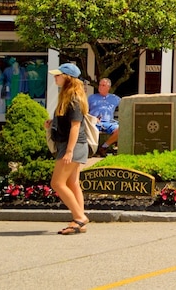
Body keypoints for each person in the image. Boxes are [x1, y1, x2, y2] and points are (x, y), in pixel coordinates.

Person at [47, 63, 90, 235]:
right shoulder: (67, 96)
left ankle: (80, 217)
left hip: (73, 146)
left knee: (57, 183)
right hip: (72, 145)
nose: (55, 77)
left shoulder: (73, 99)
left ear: (67, 77)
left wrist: (69, 151)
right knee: (72, 183)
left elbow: (75, 126)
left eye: (58, 75)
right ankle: (79, 221)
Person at [88, 78, 120, 156]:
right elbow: (84, 111)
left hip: (109, 123)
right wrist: (92, 118)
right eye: (100, 85)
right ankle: (90, 151)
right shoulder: (91, 98)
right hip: (94, 122)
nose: (100, 87)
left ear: (108, 87)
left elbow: (126, 104)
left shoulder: (114, 98)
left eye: (103, 85)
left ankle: (104, 147)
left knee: (120, 129)